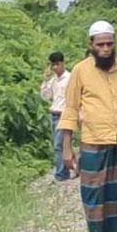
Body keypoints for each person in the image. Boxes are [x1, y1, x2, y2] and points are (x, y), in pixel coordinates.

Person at [59, 21, 117, 232]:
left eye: (110, 44)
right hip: (94, 143)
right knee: (95, 195)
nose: (106, 49)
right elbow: (70, 110)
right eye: (101, 44)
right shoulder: (80, 71)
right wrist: (67, 148)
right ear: (91, 45)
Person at [40, 51, 72, 182]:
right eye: (53, 65)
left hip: (64, 114)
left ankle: (61, 174)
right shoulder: (53, 80)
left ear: (63, 63)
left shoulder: (70, 78)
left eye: (57, 64)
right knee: (60, 145)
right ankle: (68, 169)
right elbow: (45, 96)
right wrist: (45, 81)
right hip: (54, 114)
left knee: (59, 145)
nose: (55, 68)